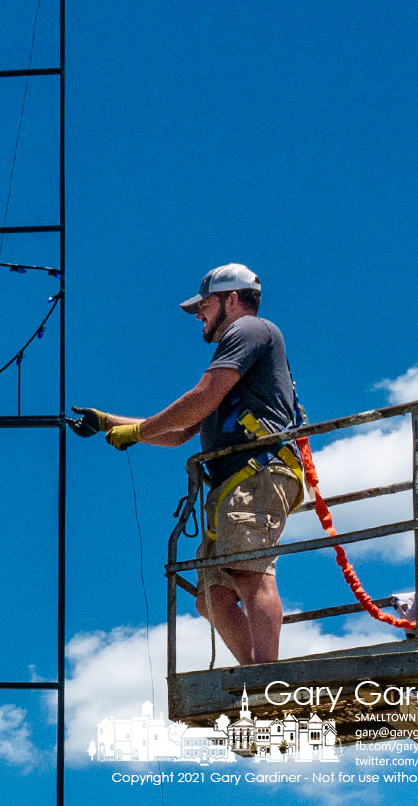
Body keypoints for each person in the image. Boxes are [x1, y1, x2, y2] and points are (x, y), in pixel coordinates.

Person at [73, 264, 304, 665]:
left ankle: (267, 677)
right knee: (211, 596)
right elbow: (180, 432)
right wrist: (109, 423)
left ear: (232, 300)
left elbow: (201, 396)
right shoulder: (238, 351)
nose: (199, 313)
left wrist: (138, 433)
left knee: (250, 574)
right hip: (233, 482)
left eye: (205, 304)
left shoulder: (250, 330)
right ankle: (255, 673)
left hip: (258, 470)